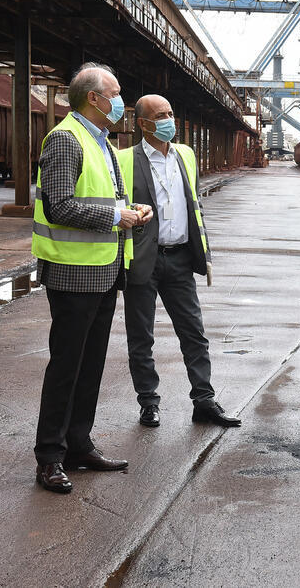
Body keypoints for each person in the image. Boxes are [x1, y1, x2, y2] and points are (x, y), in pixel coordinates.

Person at [31, 63, 152, 494]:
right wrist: (116, 216)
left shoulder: (100, 141)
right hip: (71, 272)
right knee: (67, 365)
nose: (121, 101)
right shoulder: (66, 139)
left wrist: (131, 210)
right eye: (115, 93)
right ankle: (49, 456)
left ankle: (79, 444)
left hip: (102, 270)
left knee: (91, 366)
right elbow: (59, 206)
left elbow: (105, 199)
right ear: (93, 98)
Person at [117, 94, 241, 429]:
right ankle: (149, 403)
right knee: (141, 337)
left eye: (171, 113)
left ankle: (204, 400)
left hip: (181, 258)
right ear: (143, 124)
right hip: (144, 259)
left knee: (194, 333)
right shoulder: (125, 160)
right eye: (161, 115)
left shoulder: (186, 154)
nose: (169, 120)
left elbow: (191, 202)